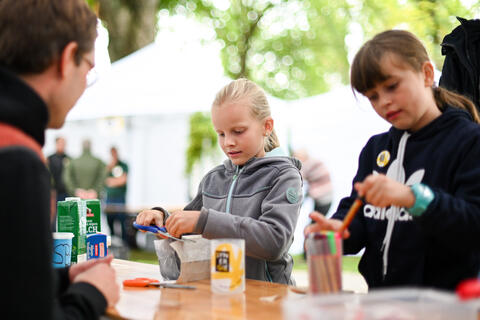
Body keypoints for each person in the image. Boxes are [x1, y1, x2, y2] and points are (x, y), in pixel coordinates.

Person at [305, 30, 480, 291]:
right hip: (380, 304)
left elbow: (473, 225)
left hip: (447, 308)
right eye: (372, 96)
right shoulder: (376, 149)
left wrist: (413, 198)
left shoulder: (469, 141)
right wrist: (340, 228)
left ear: (427, 74)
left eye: (392, 86)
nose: (384, 102)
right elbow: (359, 211)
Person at [0, 0, 119, 318]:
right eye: (88, 69)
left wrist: (60, 279)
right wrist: (92, 293)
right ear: (67, 60)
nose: (84, 85)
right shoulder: (16, 158)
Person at [136, 78, 303, 284]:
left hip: (270, 300)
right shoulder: (213, 179)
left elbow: (275, 240)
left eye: (238, 131)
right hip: (221, 296)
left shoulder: (284, 176)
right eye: (221, 134)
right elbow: (190, 225)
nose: (228, 142)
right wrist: (163, 219)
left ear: (266, 126)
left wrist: (204, 222)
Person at [105, 146, 135, 247]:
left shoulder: (123, 165)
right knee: (110, 221)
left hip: (120, 198)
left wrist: (112, 182)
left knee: (122, 222)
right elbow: (104, 180)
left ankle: (124, 245)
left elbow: (123, 180)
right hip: (109, 198)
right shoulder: (108, 167)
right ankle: (112, 245)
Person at [293, 148, 333, 215]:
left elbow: (298, 179)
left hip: (322, 198)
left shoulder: (307, 165)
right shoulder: (316, 161)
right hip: (329, 195)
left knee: (315, 221)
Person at [48, 136, 70, 203]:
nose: (62, 145)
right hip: (54, 192)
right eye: (60, 143)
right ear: (56, 144)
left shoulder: (69, 159)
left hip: (67, 192)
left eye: (63, 143)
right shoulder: (50, 158)